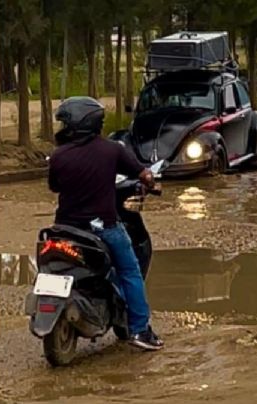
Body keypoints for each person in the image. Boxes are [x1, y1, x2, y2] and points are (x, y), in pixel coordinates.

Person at [48, 96, 164, 351]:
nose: (63, 129)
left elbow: (54, 186)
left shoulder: (58, 156)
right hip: (103, 226)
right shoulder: (112, 150)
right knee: (130, 271)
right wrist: (151, 182)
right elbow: (143, 173)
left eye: (65, 124)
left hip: (64, 227)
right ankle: (140, 330)